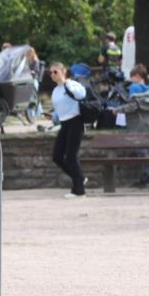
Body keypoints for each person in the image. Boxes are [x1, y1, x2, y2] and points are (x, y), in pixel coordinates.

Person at [113, 64, 149, 188]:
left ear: (136, 76)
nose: (131, 80)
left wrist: (117, 110)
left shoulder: (134, 88)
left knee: (142, 152)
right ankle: (146, 178)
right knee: (143, 151)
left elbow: (133, 106)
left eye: (132, 77)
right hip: (147, 123)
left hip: (135, 124)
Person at [49, 63, 88, 198]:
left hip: (76, 122)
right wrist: (52, 116)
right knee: (57, 156)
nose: (53, 75)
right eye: (51, 73)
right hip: (64, 123)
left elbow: (82, 94)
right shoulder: (55, 91)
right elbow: (58, 109)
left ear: (63, 71)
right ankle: (80, 178)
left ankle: (79, 190)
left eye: (55, 72)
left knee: (71, 157)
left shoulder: (71, 84)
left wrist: (67, 83)